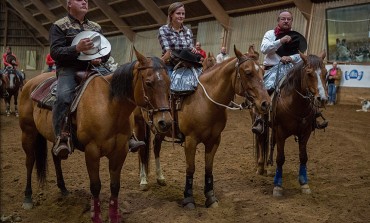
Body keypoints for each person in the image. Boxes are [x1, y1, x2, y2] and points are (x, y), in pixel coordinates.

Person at [50, 0, 144, 159]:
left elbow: (105, 50)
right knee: (63, 96)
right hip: (69, 69)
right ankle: (61, 137)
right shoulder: (59, 26)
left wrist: (101, 57)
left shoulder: (95, 27)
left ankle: (129, 134)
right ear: (69, 4)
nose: (84, 2)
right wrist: (76, 49)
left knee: (121, 90)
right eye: (79, 0)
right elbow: (55, 52)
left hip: (95, 67)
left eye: (86, 0)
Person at [258, 9, 327, 132]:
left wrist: (291, 57)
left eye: (288, 19)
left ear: (291, 22)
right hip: (272, 68)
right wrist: (280, 41)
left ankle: (314, 115)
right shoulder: (270, 34)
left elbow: (301, 55)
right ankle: (260, 118)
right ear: (278, 20)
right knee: (266, 88)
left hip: (291, 68)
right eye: (283, 19)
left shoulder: (296, 37)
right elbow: (264, 49)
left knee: (306, 87)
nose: (286, 21)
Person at [158, 2, 198, 76]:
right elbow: (168, 53)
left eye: (183, 14)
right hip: (171, 66)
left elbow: (191, 48)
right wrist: (185, 53)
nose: (181, 16)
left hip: (187, 66)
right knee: (168, 85)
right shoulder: (163, 30)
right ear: (171, 15)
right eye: (178, 13)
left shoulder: (188, 31)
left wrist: (193, 50)